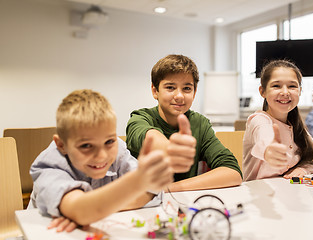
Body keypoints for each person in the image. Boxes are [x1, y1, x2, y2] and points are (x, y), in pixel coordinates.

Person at [28, 89, 173, 232]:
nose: (102, 156)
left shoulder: (118, 151)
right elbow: (82, 211)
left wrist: (90, 211)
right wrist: (137, 182)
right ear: (61, 145)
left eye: (109, 141)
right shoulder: (49, 165)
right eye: (86, 146)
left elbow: (151, 192)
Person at [126, 54, 242, 192]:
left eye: (187, 88)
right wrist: (169, 149)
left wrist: (168, 189)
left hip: (182, 202)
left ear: (194, 92)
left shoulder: (200, 124)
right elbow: (151, 137)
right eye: (170, 87)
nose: (179, 96)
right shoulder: (140, 118)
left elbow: (232, 172)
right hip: (141, 206)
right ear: (155, 91)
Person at [243, 60, 313, 181]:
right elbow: (264, 140)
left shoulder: (296, 126)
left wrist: (303, 169)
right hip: (260, 195)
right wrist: (269, 151)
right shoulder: (259, 120)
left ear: (299, 91)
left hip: (289, 193)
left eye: (292, 86)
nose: (285, 92)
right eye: (276, 86)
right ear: (262, 91)